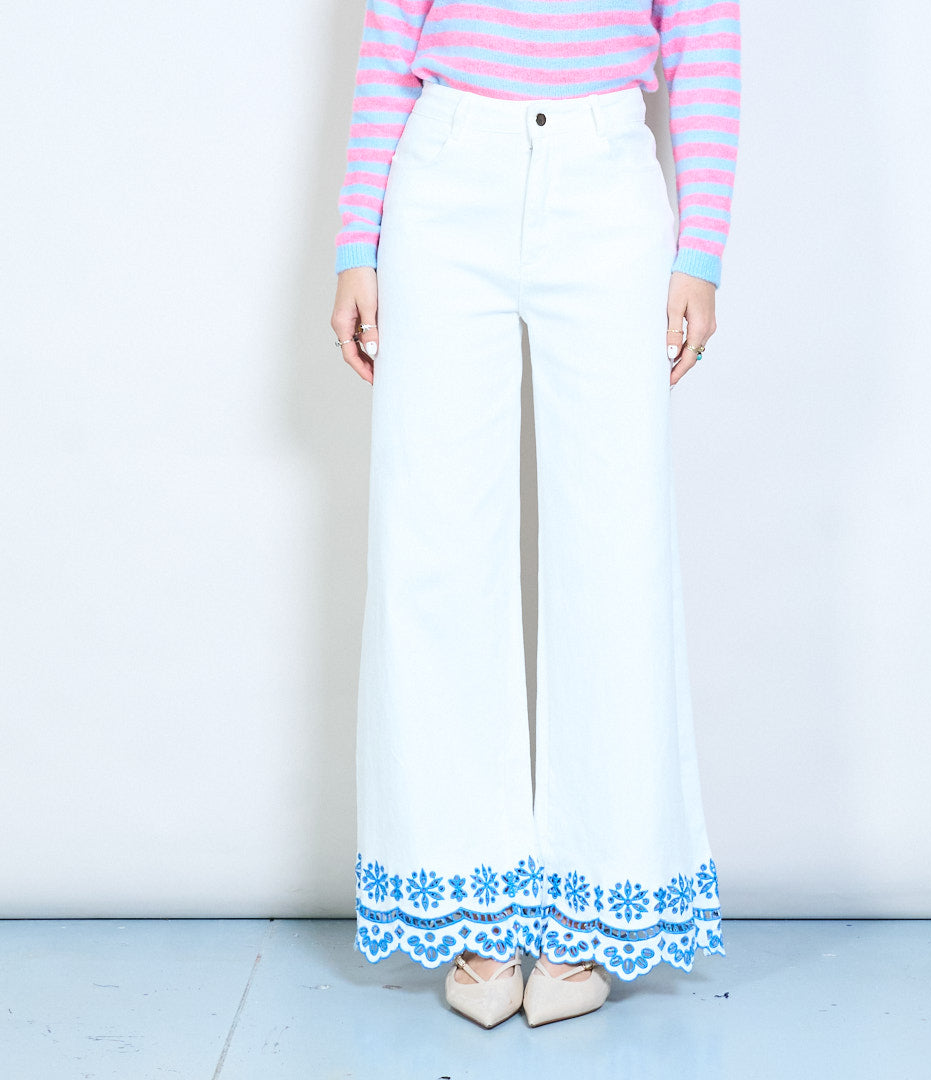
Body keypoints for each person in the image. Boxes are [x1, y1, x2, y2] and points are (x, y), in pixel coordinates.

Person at [329, 0, 740, 1028]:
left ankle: (595, 903)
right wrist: (356, 240)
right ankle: (466, 899)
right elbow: (391, 28)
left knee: (615, 545)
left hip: (607, 178)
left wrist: (701, 249)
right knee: (436, 548)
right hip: (444, 168)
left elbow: (704, 31)